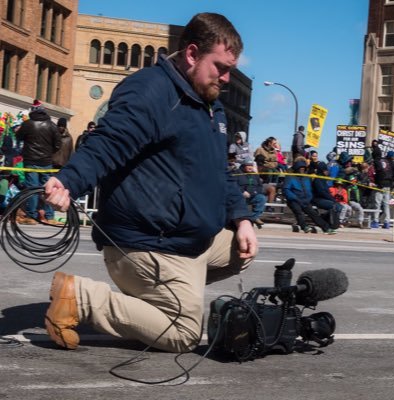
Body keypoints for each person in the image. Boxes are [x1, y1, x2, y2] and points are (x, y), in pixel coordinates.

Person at [43, 13, 258, 352]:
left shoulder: (209, 105)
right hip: (145, 243)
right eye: (220, 67)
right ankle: (82, 298)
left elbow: (220, 173)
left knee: (240, 251)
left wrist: (242, 219)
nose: (227, 78)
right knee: (183, 334)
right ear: (191, 54)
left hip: (185, 240)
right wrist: (69, 180)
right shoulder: (151, 91)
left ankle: (153, 303)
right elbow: (108, 143)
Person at [16, 99, 61, 225]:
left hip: (30, 160)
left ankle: (31, 216)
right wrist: (49, 152)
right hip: (46, 161)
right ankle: (50, 216)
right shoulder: (51, 125)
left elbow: (18, 137)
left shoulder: (27, 124)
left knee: (32, 188)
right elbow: (58, 144)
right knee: (48, 189)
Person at [283, 159, 337, 234]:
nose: (302, 170)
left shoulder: (307, 178)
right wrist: (295, 198)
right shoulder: (290, 177)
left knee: (313, 213)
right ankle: (304, 226)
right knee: (299, 211)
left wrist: (308, 198)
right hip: (294, 200)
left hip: (305, 200)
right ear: (296, 168)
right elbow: (286, 190)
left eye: (303, 168)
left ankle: (326, 228)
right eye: (300, 168)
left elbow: (310, 190)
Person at [235, 158, 266, 227]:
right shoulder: (237, 173)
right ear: (243, 166)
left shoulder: (254, 175)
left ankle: (254, 217)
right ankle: (243, 220)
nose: (250, 167)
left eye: (251, 165)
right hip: (240, 196)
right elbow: (233, 185)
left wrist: (255, 192)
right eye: (248, 165)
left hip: (252, 196)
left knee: (261, 198)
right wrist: (242, 192)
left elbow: (260, 186)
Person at [371, 149, 394, 229]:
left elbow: (378, 172)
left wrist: (378, 183)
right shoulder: (393, 164)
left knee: (377, 203)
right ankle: (387, 222)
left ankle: (375, 221)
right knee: (386, 204)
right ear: (392, 157)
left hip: (379, 185)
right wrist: (393, 186)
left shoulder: (380, 161)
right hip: (388, 186)